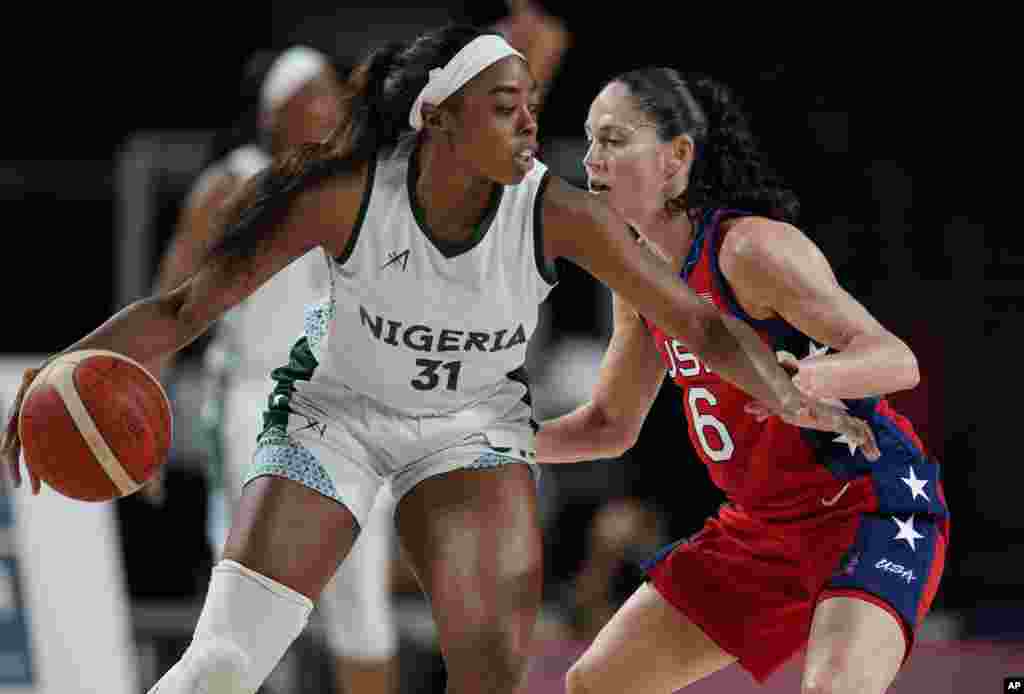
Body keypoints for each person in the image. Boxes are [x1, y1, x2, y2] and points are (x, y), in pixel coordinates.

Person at [1, 26, 875, 694]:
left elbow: (698, 320)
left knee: (487, 671)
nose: (532, 119)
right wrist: (64, 369)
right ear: (437, 120)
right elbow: (181, 309)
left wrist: (786, 395)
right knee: (224, 660)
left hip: (468, 431)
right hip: (335, 414)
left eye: (532, 100)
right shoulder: (340, 195)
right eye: (505, 105)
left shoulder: (556, 211)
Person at [536, 68, 949, 694]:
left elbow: (895, 359)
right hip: (760, 530)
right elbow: (609, 426)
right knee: (597, 682)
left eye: (614, 140)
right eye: (589, 140)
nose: (591, 160)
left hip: (866, 510)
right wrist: (484, 439)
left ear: (678, 155)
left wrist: (805, 376)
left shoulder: (750, 249)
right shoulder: (640, 279)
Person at [152, 45, 402, 694]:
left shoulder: (357, 186)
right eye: (317, 91)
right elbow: (171, 305)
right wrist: (144, 412)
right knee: (247, 607)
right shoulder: (230, 184)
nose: (335, 103)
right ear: (278, 113)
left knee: (363, 612)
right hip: (255, 405)